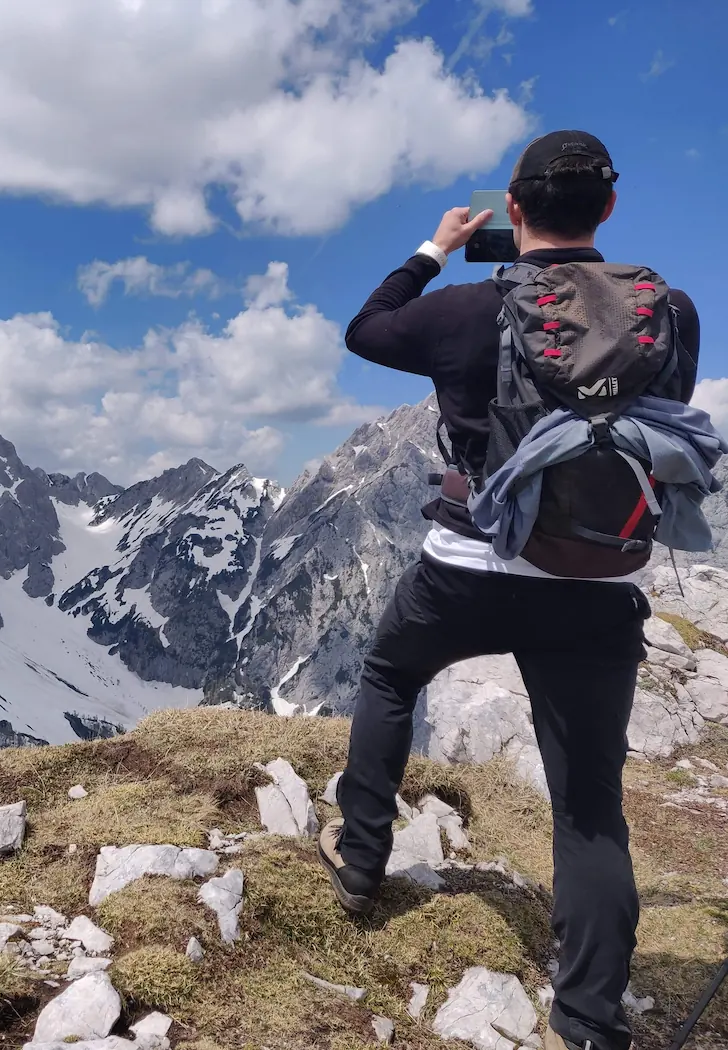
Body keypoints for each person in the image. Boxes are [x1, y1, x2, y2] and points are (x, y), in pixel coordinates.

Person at [316, 130, 702, 1050]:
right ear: (609, 207)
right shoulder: (673, 312)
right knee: (589, 808)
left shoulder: (466, 310)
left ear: (514, 209)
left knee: (390, 676)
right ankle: (589, 1019)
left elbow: (365, 329)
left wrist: (435, 247)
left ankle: (361, 860)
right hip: (597, 583)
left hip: (468, 570)